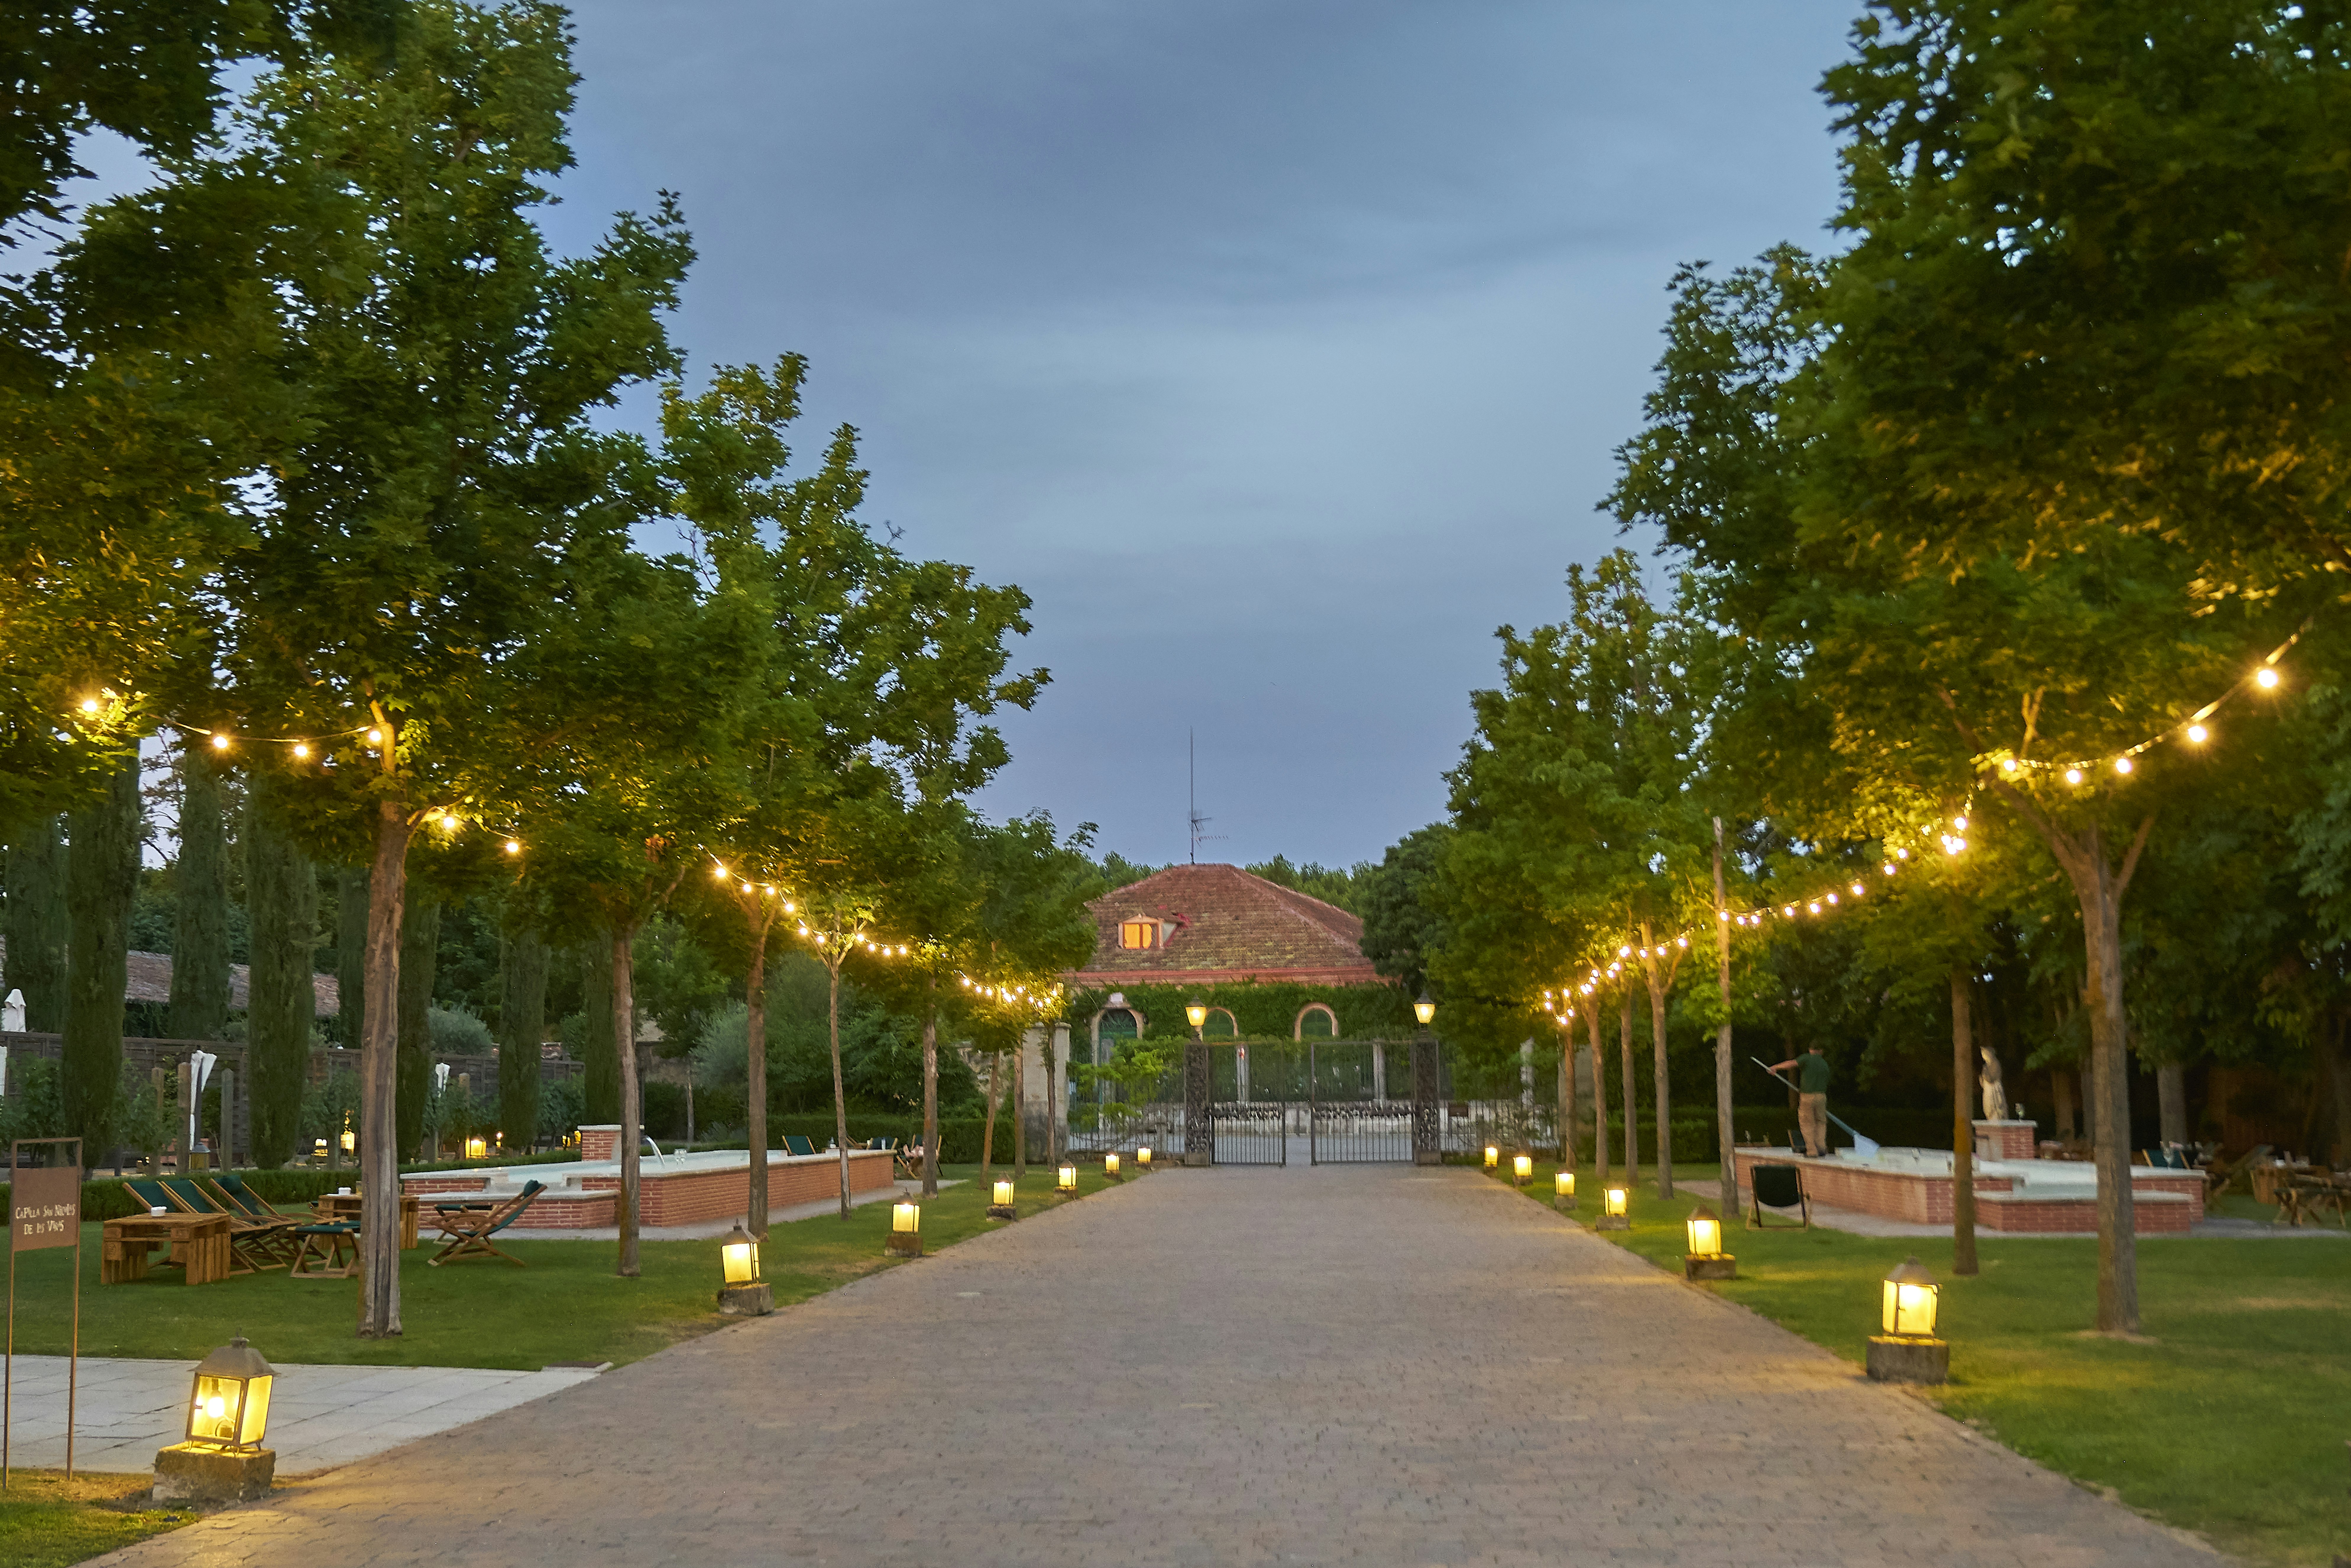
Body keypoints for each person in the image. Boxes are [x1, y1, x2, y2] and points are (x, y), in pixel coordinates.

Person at [1769, 1046, 1832, 1157]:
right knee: (1821, 1122)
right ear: (1822, 1051)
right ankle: (1821, 1148)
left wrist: (1776, 1068)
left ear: (1810, 1049)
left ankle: (1812, 1151)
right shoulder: (1825, 1064)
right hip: (1822, 1096)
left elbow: (1792, 1064)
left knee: (1807, 1122)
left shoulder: (1807, 1058)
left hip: (1807, 1096)